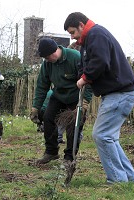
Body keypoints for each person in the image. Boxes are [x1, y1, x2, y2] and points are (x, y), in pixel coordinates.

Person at [64, 12, 134, 184]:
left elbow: (100, 61)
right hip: (116, 94)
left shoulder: (97, 34)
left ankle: (118, 180)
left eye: (73, 32)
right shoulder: (87, 41)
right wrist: (81, 74)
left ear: (82, 25)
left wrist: (84, 79)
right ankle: (129, 178)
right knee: (110, 137)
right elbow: (84, 64)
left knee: (101, 135)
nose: (73, 37)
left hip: (120, 93)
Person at [30, 37, 92, 166]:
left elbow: (89, 79)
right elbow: (42, 86)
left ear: (53, 52)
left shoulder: (74, 57)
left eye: (47, 57)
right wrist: (36, 107)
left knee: (73, 125)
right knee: (47, 118)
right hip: (58, 95)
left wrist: (85, 101)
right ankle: (51, 152)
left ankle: (69, 157)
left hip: (76, 97)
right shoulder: (47, 64)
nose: (46, 61)